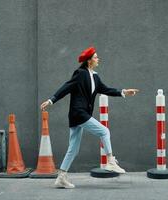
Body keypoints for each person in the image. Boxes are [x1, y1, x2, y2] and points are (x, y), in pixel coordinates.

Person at [40, 47, 139, 189]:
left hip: (79, 115)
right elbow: (66, 87)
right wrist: (51, 100)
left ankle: (61, 177)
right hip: (79, 113)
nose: (98, 59)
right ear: (89, 60)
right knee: (104, 131)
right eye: (96, 57)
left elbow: (106, 89)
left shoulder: (95, 77)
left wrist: (124, 92)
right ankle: (110, 160)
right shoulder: (80, 73)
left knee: (73, 149)